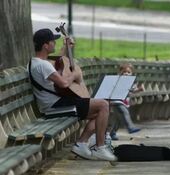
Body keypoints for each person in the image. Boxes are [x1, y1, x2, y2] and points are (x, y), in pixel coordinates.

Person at [29, 28, 116, 161]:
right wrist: (74, 75)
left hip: (54, 103)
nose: (55, 44)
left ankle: (81, 143)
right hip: (55, 106)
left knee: (101, 112)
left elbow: (58, 63)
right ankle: (100, 147)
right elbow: (63, 84)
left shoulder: (35, 63)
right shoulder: (43, 65)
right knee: (103, 105)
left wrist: (66, 47)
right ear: (46, 45)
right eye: (53, 41)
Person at [109, 63, 144, 140]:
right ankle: (130, 127)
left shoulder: (131, 82)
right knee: (125, 112)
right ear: (119, 72)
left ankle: (112, 133)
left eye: (128, 72)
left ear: (132, 73)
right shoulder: (118, 80)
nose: (126, 74)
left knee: (118, 120)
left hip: (124, 102)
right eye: (124, 72)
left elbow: (131, 91)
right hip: (116, 101)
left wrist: (139, 89)